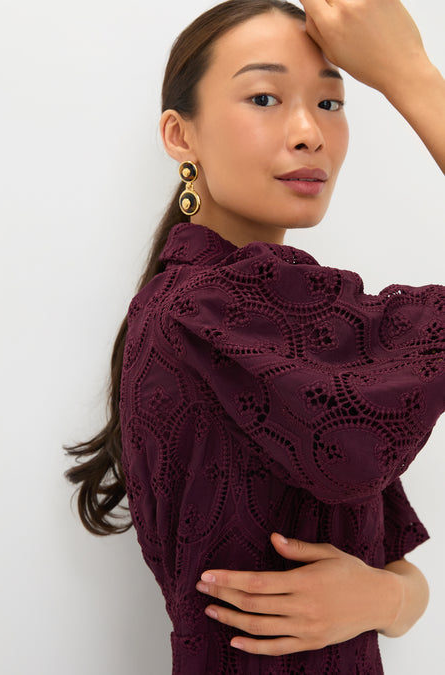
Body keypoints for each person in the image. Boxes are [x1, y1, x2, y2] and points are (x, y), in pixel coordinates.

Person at [64, 1, 445, 673]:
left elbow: (400, 579)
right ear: (180, 135)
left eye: (330, 103)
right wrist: (410, 73)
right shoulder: (206, 312)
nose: (309, 133)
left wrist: (382, 598)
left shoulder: (296, 328)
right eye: (265, 97)